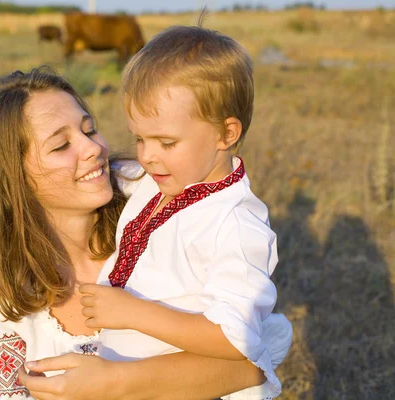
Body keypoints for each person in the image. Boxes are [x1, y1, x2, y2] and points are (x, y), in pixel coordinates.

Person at [0, 66, 291, 400]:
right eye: (62, 145)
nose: (94, 148)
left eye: (90, 131)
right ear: (13, 179)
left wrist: (115, 383)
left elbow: (251, 363)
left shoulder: (163, 201)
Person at [73, 25, 292, 399]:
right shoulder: (160, 178)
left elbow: (233, 338)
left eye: (166, 142)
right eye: (139, 138)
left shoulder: (234, 225)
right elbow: (106, 173)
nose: (146, 155)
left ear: (227, 134)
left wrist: (131, 312)